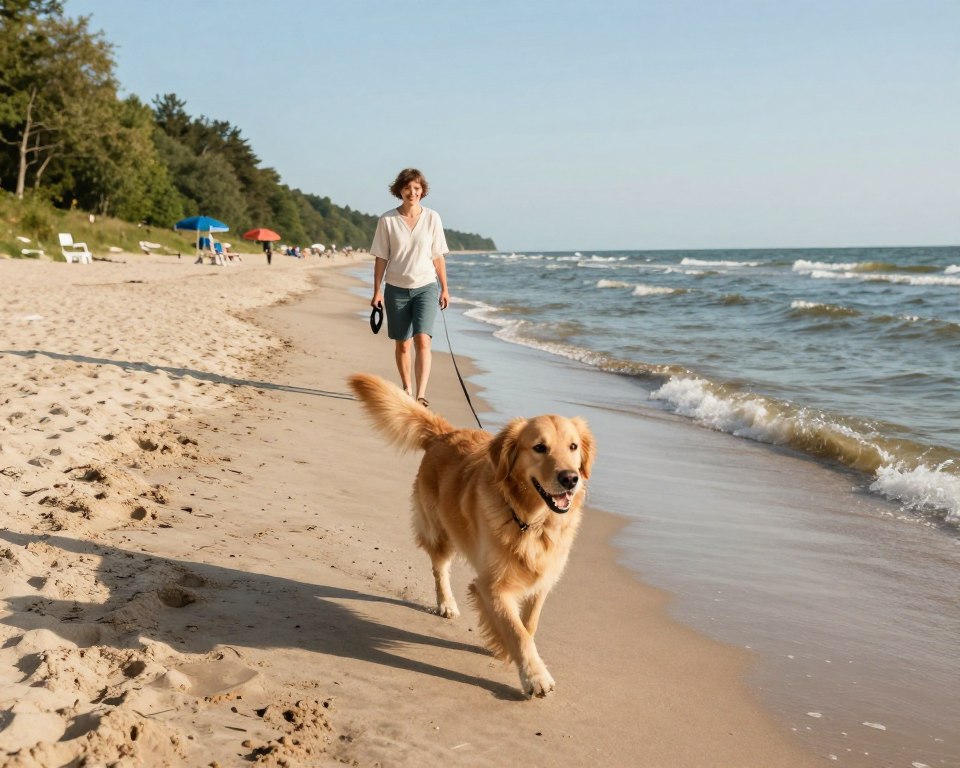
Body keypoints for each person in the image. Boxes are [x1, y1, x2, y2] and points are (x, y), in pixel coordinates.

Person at [369, 168, 449, 407]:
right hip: (396, 288)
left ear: (422, 191)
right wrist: (377, 291)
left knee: (423, 339)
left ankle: (421, 395)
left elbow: (438, 256)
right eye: (407, 188)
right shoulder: (387, 220)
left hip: (426, 286)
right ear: (399, 191)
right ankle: (406, 388)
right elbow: (381, 257)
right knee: (402, 343)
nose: (412, 192)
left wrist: (445, 288)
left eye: (416, 188)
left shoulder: (433, 218)